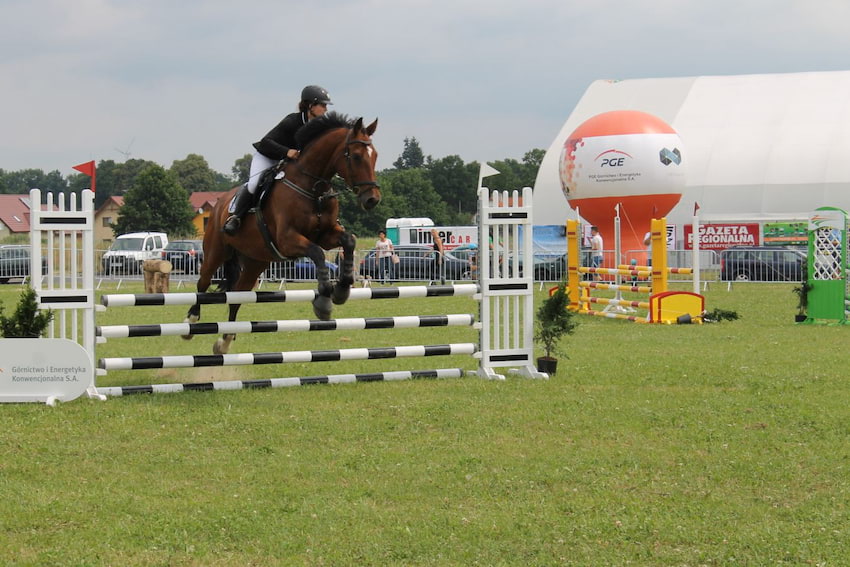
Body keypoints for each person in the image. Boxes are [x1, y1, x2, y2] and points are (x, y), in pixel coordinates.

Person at [223, 85, 333, 235]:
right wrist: (287, 151)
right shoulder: (292, 121)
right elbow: (266, 141)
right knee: (254, 184)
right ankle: (236, 218)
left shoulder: (319, 127)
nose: (326, 109)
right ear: (310, 105)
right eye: (323, 105)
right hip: (267, 157)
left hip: (287, 164)